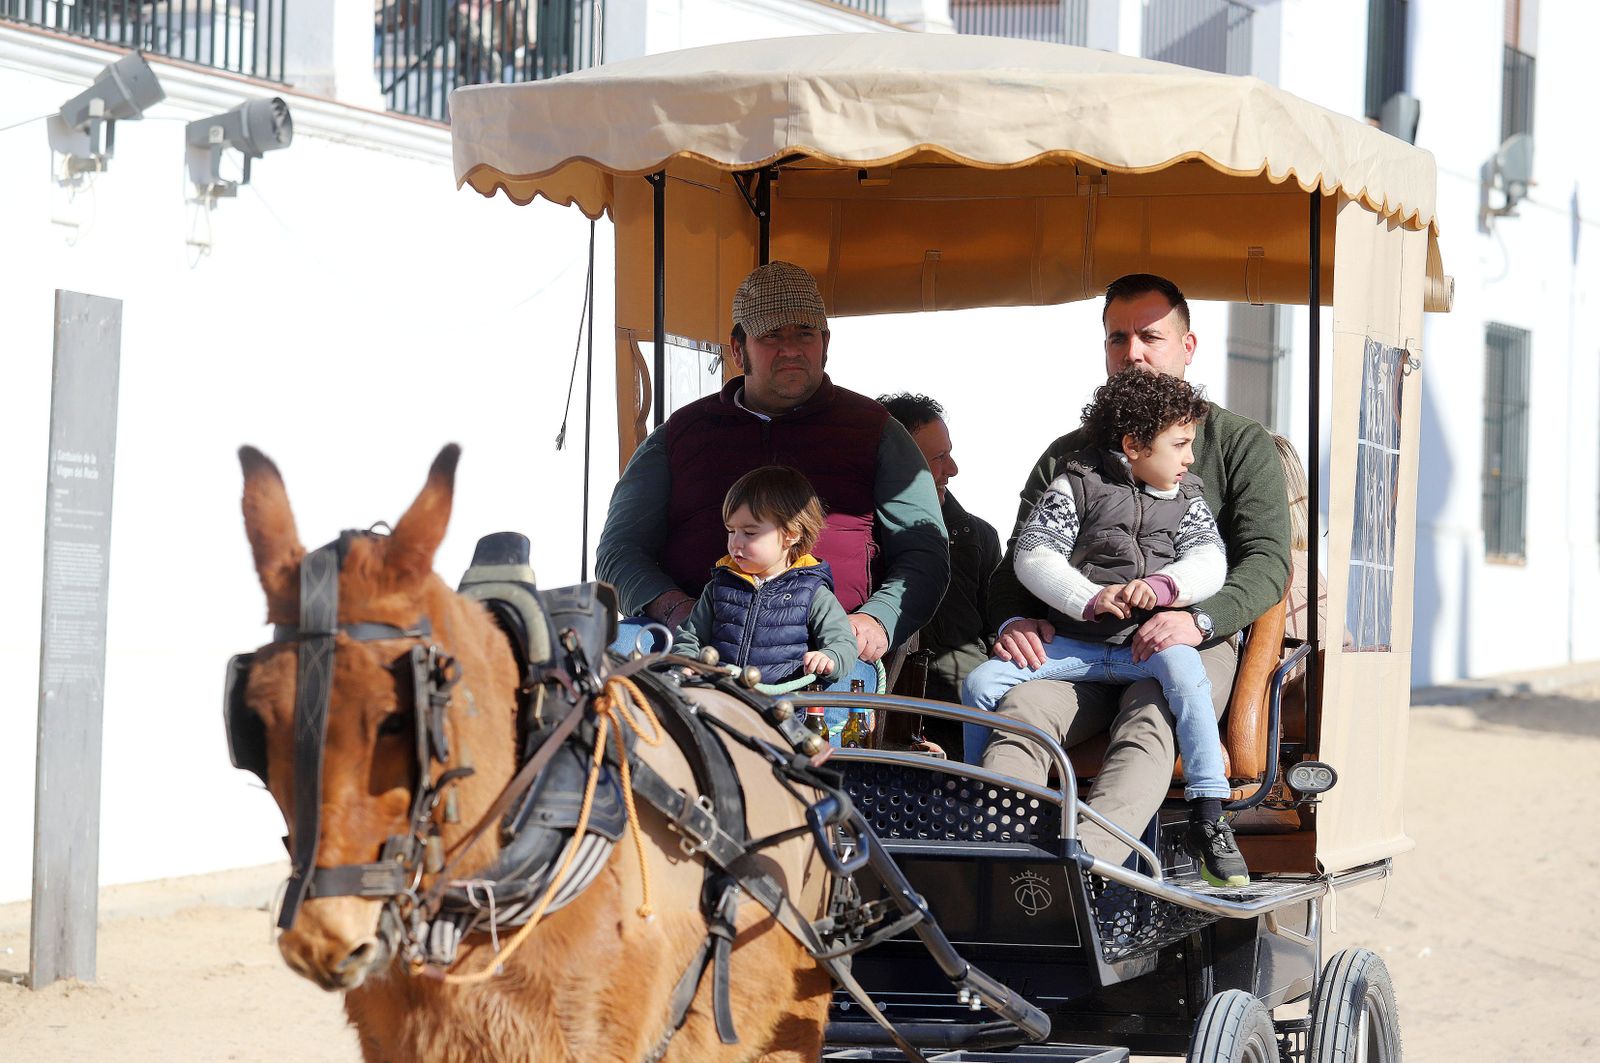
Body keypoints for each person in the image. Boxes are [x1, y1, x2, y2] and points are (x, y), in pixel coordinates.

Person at [983, 273, 1290, 873]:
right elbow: (1017, 562)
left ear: (1187, 346)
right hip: (1082, 644)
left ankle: (1079, 877)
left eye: (1150, 336)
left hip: (1188, 641)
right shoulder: (1067, 454)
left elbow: (1267, 562)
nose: (1133, 353)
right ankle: (995, 866)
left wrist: (1198, 620)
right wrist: (1013, 618)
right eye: (1117, 338)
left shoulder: (1236, 444)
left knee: (1151, 720)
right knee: (1021, 711)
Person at [596, 261, 949, 683]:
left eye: (804, 333)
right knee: (591, 677)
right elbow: (619, 550)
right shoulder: (679, 436)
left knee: (813, 747)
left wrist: (878, 618)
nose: (791, 349)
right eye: (771, 335)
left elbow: (925, 552)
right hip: (689, 640)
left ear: (826, 342)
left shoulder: (877, 432)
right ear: (737, 347)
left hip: (824, 650)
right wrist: (671, 606)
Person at [962, 369, 1245, 886]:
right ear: (1134, 445)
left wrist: (1165, 588)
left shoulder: (1189, 496)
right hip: (1082, 647)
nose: (1189, 457)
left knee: (1183, 682)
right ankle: (992, 833)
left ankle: (1202, 811)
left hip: (1148, 645)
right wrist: (1088, 598)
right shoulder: (1074, 484)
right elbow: (1033, 555)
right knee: (983, 684)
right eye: (1180, 445)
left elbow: (1210, 561)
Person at [877, 392, 1001, 757]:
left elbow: (1000, 633)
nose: (953, 469)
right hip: (881, 719)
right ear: (894, 463)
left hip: (967, 720)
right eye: (938, 458)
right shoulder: (860, 540)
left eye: (948, 453)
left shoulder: (978, 537)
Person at [672, 466, 860, 685]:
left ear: (791, 535)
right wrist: (686, 662)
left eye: (749, 533)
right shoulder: (719, 586)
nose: (735, 542)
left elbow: (843, 642)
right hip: (721, 698)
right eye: (731, 531)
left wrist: (829, 658)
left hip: (781, 707)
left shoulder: (812, 592)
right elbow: (691, 635)